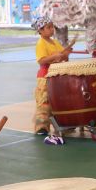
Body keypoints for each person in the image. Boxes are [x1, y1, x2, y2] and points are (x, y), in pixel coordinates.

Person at [33, 15, 72, 145]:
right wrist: (55, 56)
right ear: (40, 30)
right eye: (48, 27)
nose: (51, 29)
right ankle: (42, 127)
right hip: (45, 76)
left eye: (52, 27)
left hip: (57, 76)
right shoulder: (41, 43)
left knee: (59, 102)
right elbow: (41, 60)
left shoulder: (54, 42)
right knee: (45, 102)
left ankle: (63, 124)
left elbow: (63, 56)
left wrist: (65, 54)